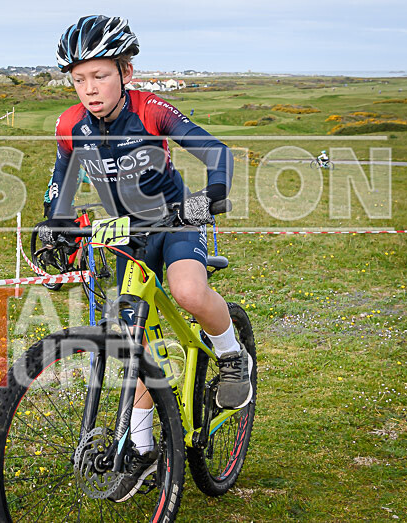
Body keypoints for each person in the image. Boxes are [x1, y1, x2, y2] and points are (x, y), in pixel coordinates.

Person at [36, 15, 253, 502]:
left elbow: (216, 153)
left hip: (174, 222)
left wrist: (209, 196)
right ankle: (141, 449)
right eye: (78, 78)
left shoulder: (152, 110)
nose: (89, 88)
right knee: (135, 343)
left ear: (125, 73)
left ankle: (233, 358)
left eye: (100, 75)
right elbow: (62, 185)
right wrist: (55, 224)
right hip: (124, 238)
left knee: (189, 291)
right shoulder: (71, 125)